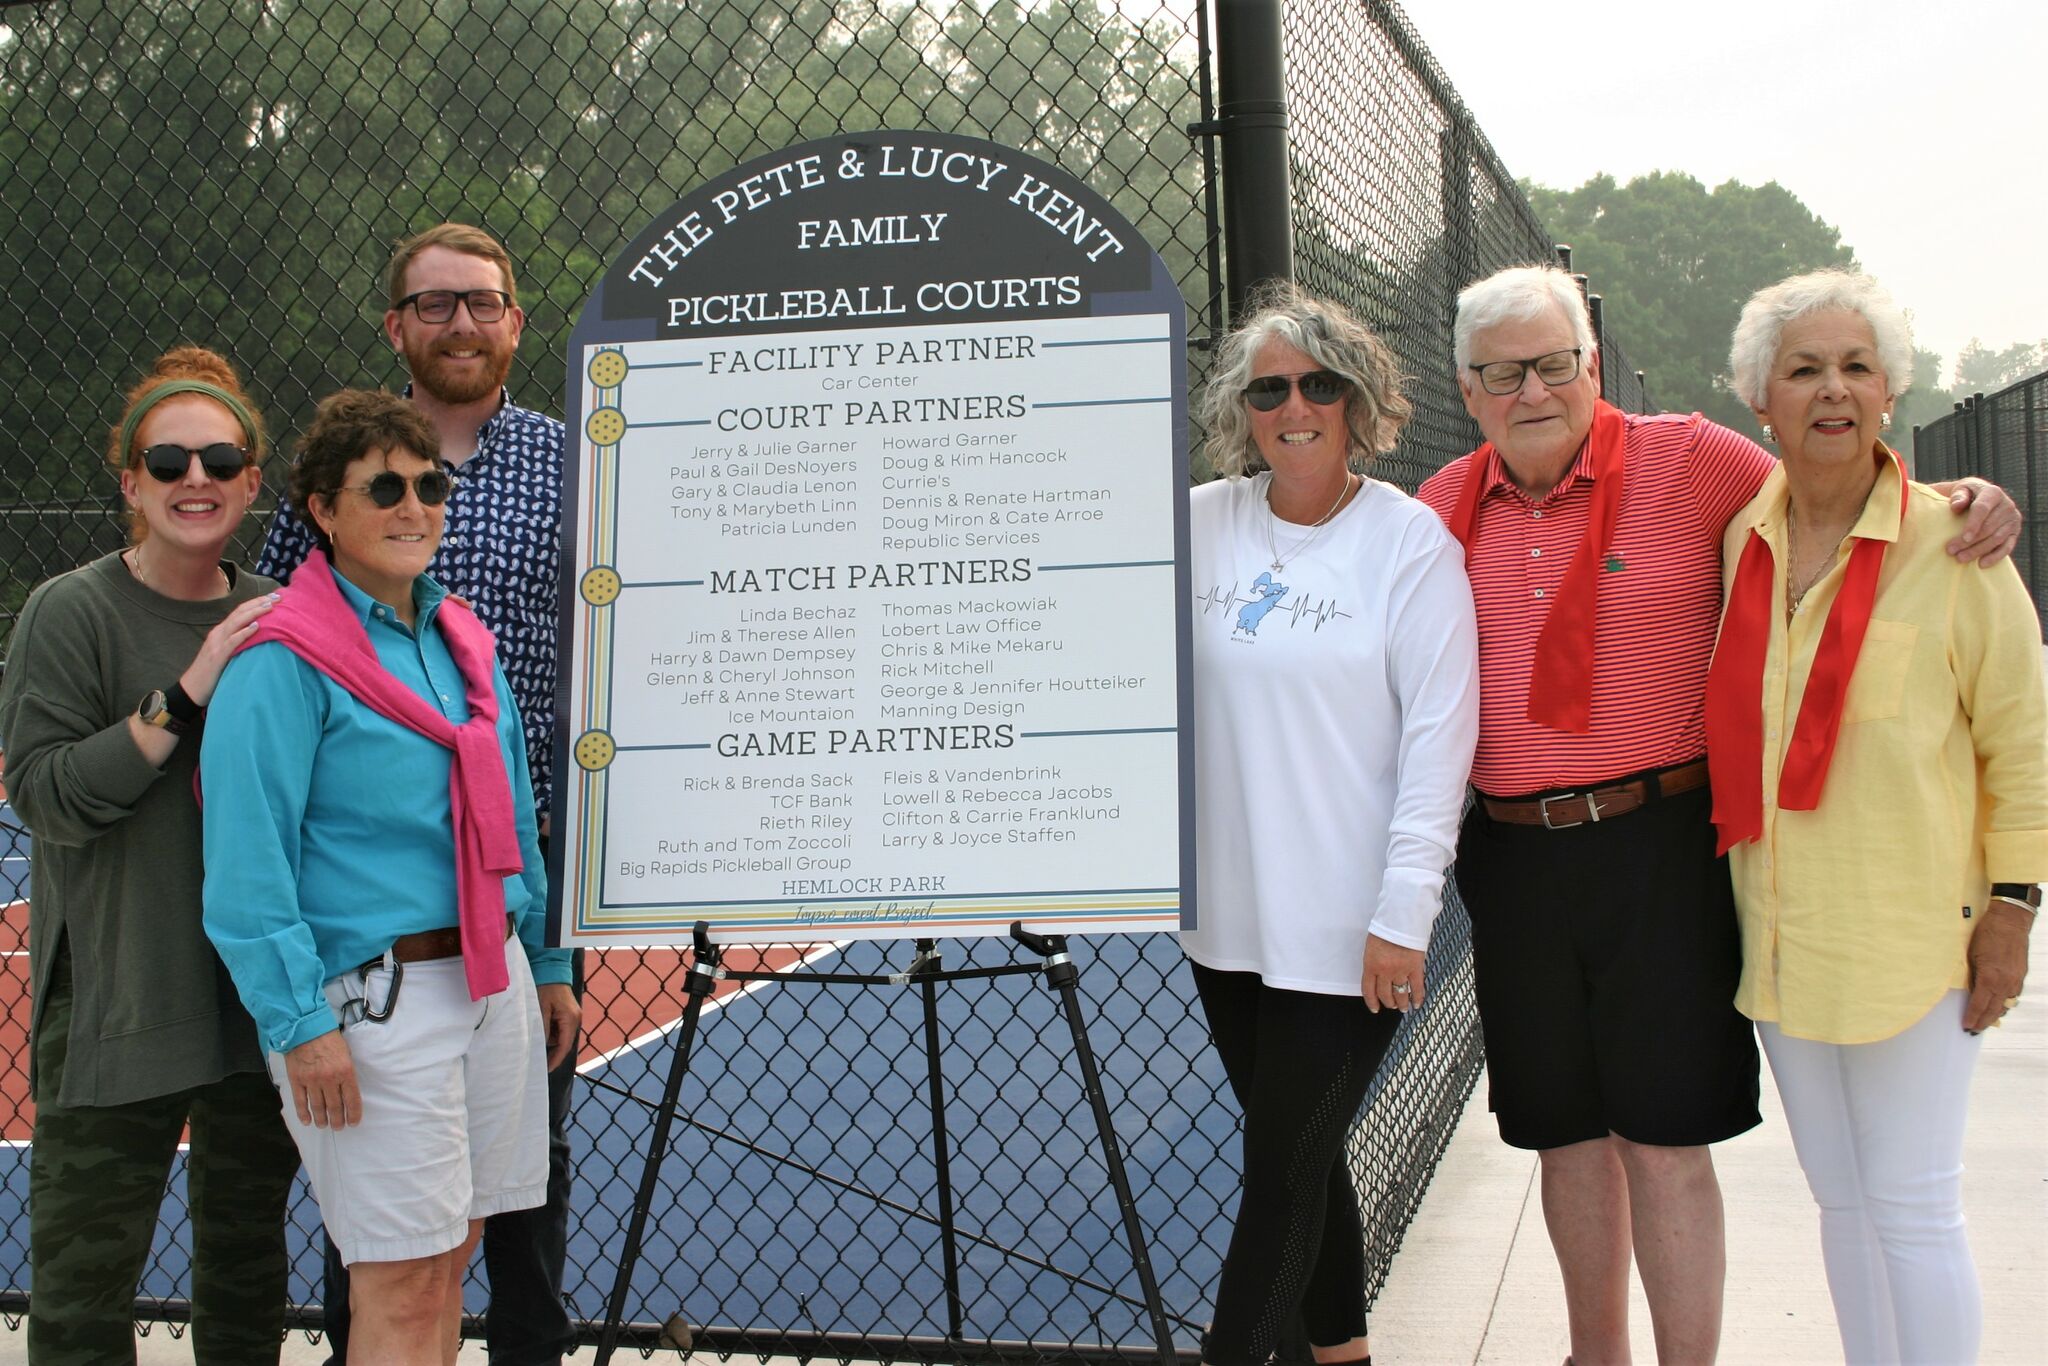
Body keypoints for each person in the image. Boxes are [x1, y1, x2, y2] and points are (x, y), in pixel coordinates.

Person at [1413, 263, 2019, 1366]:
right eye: (1504, 372)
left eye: (1555, 364)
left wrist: (1955, 502)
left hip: (1660, 845)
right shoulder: (1439, 508)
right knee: (1562, 1138)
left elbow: (1833, 484)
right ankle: (1593, 1355)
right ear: (1467, 388)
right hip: (1510, 855)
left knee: (1662, 1138)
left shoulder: (1690, 461)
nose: (1533, 390)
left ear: (1591, 364)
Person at [1707, 269, 2046, 1364]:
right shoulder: (1737, 539)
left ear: (1890, 393)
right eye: (1803, 369)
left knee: (1910, 1204)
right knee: (1841, 1201)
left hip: (1914, 935)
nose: (1831, 390)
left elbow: (2021, 743)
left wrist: (2012, 905)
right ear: (1759, 398)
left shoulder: (1955, 547)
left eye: (1855, 366)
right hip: (1785, 934)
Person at [255, 222, 579, 1364]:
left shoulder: (566, 470)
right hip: (376, 959)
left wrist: (540, 950)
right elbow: (250, 856)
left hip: (501, 903)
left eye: (481, 303)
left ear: (513, 320)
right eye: (435, 304)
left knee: (484, 1232)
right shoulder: (296, 647)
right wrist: (301, 1022)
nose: (411, 503)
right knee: (393, 1269)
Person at [1184, 282, 1480, 1366]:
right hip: (1222, 927)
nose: (1292, 406)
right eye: (1268, 388)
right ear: (1241, 409)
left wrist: (1402, 914)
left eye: (1316, 383)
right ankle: (1343, 1353)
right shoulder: (1197, 524)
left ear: (1356, 399)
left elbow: (1435, 749)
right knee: (1302, 1167)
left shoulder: (1408, 546)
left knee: (1278, 1183)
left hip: (1352, 937)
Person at [0, 346, 300, 1363]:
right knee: (83, 1299)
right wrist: (192, 684)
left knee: (247, 1276)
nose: (195, 479)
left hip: (252, 1000)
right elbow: (48, 794)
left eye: (219, 458)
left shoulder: (284, 613)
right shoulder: (71, 611)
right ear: (130, 481)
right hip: (118, 1000)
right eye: (167, 462)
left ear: (253, 478)